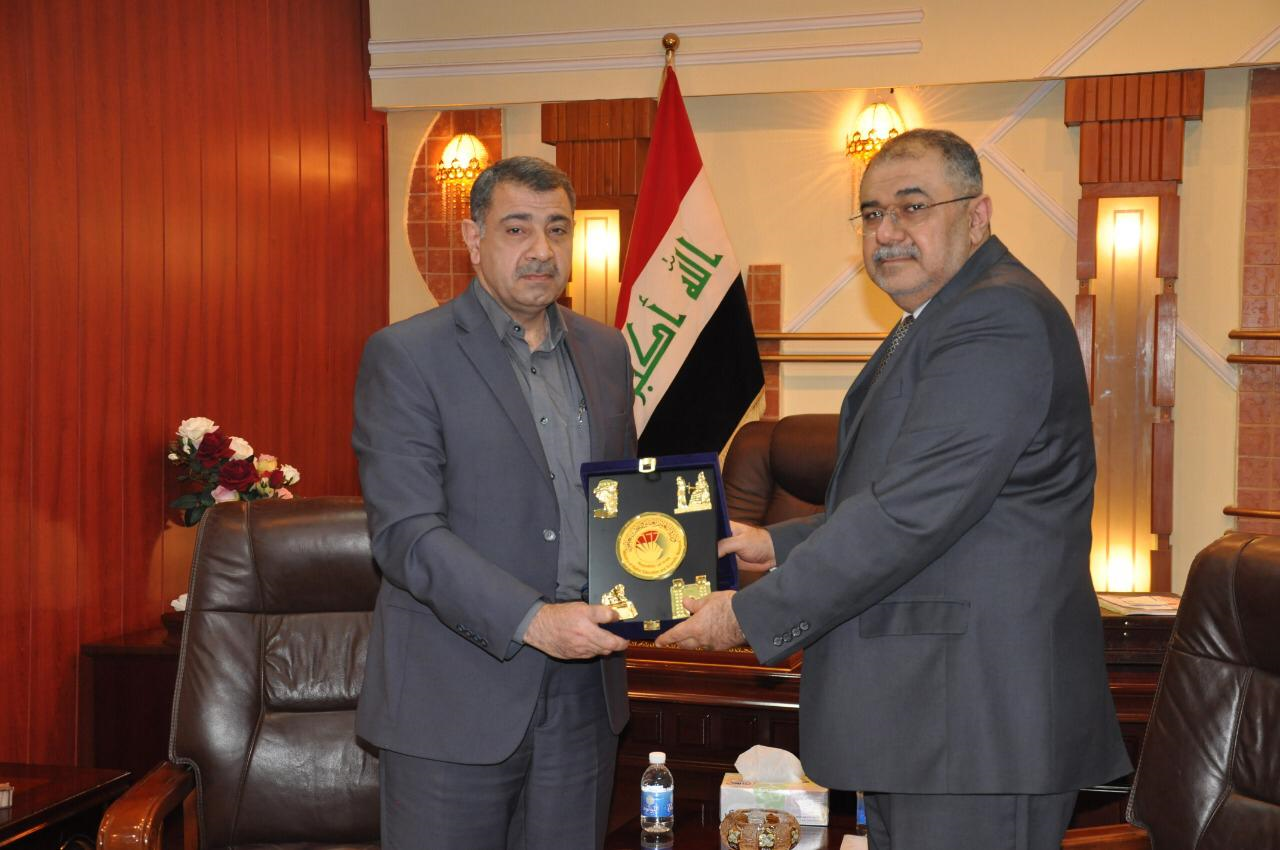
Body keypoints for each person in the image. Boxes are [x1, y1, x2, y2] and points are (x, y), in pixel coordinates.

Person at [658, 129, 1131, 850]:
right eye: (872, 213)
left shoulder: (996, 319)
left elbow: (910, 515)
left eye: (913, 207)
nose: (886, 232)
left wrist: (748, 615)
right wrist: (776, 545)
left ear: (977, 215)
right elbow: (899, 495)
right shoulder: (935, 319)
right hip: (927, 723)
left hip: (971, 728)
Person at [353, 156, 635, 850]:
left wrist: (673, 571)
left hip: (585, 695)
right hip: (451, 697)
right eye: (517, 228)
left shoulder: (606, 351)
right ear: (474, 239)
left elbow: (620, 502)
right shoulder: (407, 354)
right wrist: (533, 620)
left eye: (557, 229)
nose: (541, 249)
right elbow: (407, 534)